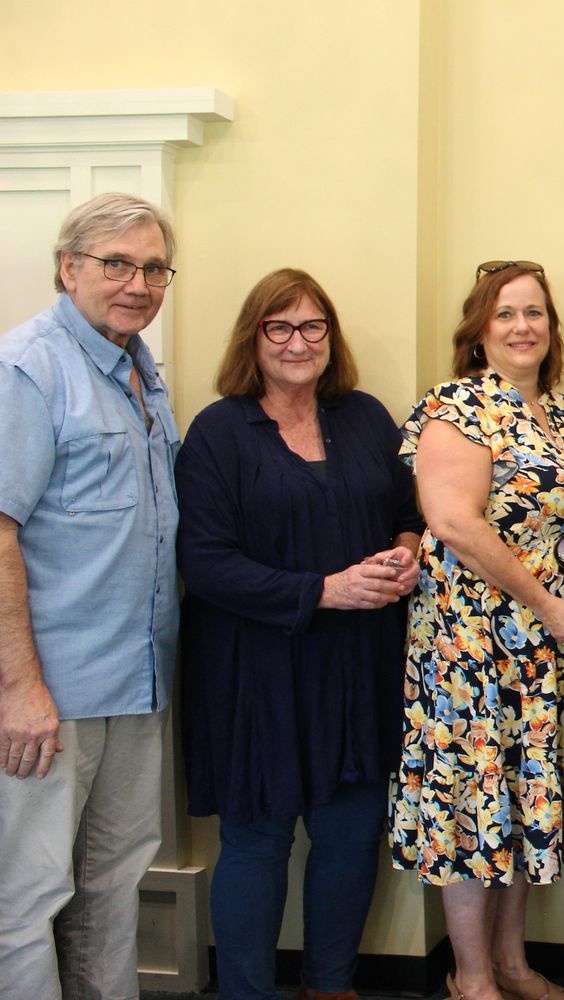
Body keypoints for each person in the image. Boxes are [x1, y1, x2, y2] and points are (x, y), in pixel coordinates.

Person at [175, 269, 422, 1000]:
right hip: (254, 667)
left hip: (356, 662)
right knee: (258, 839)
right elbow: (205, 563)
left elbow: (408, 510)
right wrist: (325, 590)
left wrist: (406, 550)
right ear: (253, 338)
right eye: (278, 327)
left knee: (350, 833)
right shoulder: (219, 432)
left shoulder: (366, 418)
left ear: (330, 337)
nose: (297, 342)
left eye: (313, 326)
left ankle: (331, 986)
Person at [391, 260, 564, 1000]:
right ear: (479, 331)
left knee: (527, 796)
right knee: (476, 798)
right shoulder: (456, 408)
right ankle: (472, 978)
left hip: (562, 646)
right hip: (477, 646)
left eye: (535, 313)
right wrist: (546, 603)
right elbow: (453, 522)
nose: (523, 327)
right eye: (505, 314)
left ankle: (513, 964)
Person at [0, 193, 180, 1000]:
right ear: (68, 268)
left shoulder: (142, 372)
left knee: (113, 883)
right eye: (117, 264)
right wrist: (19, 688)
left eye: (154, 268)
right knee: (25, 898)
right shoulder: (27, 369)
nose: (137, 284)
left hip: (136, 683)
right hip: (51, 699)